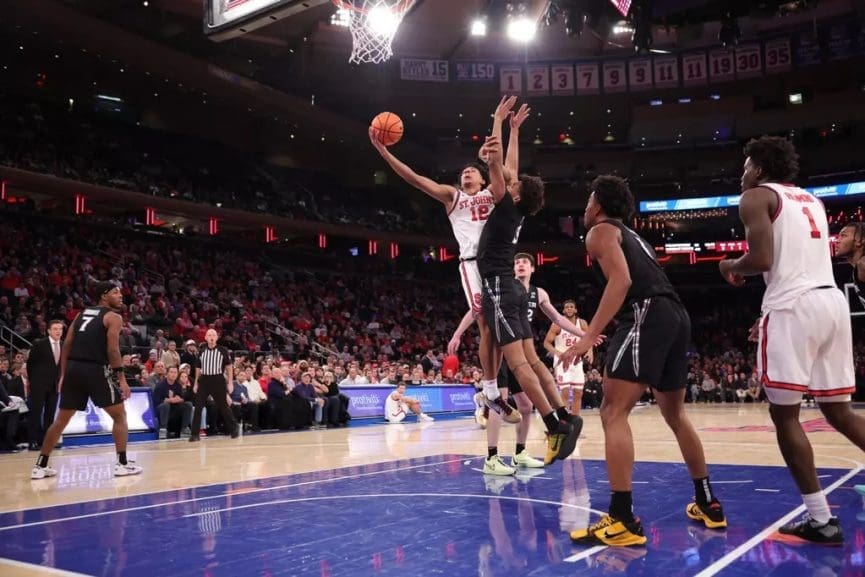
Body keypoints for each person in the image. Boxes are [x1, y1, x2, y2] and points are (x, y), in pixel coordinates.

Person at [563, 175, 725, 547]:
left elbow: (620, 282)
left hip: (646, 311)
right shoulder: (635, 237)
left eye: (589, 200)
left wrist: (588, 335)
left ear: (599, 205)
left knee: (611, 411)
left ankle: (621, 519)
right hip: (675, 314)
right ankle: (708, 503)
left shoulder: (600, 231)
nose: (585, 207)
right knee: (675, 414)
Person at [719, 136, 865, 545]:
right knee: (840, 413)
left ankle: (820, 519)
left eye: (746, 165)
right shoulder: (811, 200)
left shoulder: (755, 196)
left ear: (760, 169)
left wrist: (729, 265)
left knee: (785, 417)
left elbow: (763, 260)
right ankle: (819, 517)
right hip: (830, 302)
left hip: (792, 308)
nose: (742, 172)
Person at [370, 96, 525, 424]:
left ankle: (489, 392)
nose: (466, 173)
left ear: (482, 178)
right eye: (463, 172)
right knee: (484, 323)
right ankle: (491, 391)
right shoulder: (452, 197)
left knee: (496, 332)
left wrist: (514, 131)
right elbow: (414, 178)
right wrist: (384, 151)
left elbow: (510, 173)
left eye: (472, 170)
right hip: (472, 264)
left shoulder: (493, 194)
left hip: (496, 265)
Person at [474, 130, 580, 467]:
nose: (511, 180)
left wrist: (498, 123)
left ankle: (553, 425)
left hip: (498, 287)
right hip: (513, 290)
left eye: (514, 184)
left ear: (516, 195)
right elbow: (512, 168)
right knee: (532, 361)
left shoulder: (506, 204)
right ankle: (564, 416)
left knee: (519, 365)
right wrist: (515, 129)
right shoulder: (516, 210)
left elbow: (497, 164)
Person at [450, 253, 596, 475]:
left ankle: (520, 453)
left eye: (525, 262)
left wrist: (585, 335)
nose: (520, 265)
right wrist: (458, 334)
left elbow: (557, 319)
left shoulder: (538, 293)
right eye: (516, 262)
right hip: (502, 349)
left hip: (520, 347)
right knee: (499, 405)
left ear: (533, 269)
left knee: (526, 407)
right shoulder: (503, 288)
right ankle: (492, 457)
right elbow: (475, 310)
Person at [31, 281, 143, 479]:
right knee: (120, 416)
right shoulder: (113, 317)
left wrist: (64, 374)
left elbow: (66, 346)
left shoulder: (81, 314)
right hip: (95, 369)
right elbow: (113, 350)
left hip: (73, 369)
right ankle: (122, 463)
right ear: (104, 295)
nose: (120, 296)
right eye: (116, 293)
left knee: (61, 420)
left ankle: (41, 465)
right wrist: (122, 379)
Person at [544, 300, 592, 416]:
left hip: (576, 362)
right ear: (563, 310)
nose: (569, 309)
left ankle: (576, 422)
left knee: (578, 392)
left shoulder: (582, 323)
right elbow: (546, 343)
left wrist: (590, 351)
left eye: (571, 307)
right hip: (561, 362)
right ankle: (563, 422)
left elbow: (589, 339)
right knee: (564, 392)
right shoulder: (557, 324)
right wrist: (558, 353)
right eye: (567, 307)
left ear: (576, 310)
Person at [189, 329, 238, 442]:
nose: (211, 337)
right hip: (204, 380)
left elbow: (229, 367)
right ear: (205, 337)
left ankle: (234, 429)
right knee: (198, 406)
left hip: (218, 379)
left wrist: (230, 382)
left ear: (217, 337)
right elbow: (198, 368)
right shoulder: (201, 351)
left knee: (223, 406)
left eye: (213, 335)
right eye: (209, 335)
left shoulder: (223, 350)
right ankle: (195, 434)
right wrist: (196, 382)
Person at [25, 319, 64, 450]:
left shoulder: (63, 345)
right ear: (48, 331)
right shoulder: (39, 344)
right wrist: (34, 381)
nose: (58, 331)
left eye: (60, 329)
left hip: (54, 385)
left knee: (50, 414)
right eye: (55, 329)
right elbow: (30, 364)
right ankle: (32, 441)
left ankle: (47, 441)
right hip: (39, 384)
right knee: (36, 413)